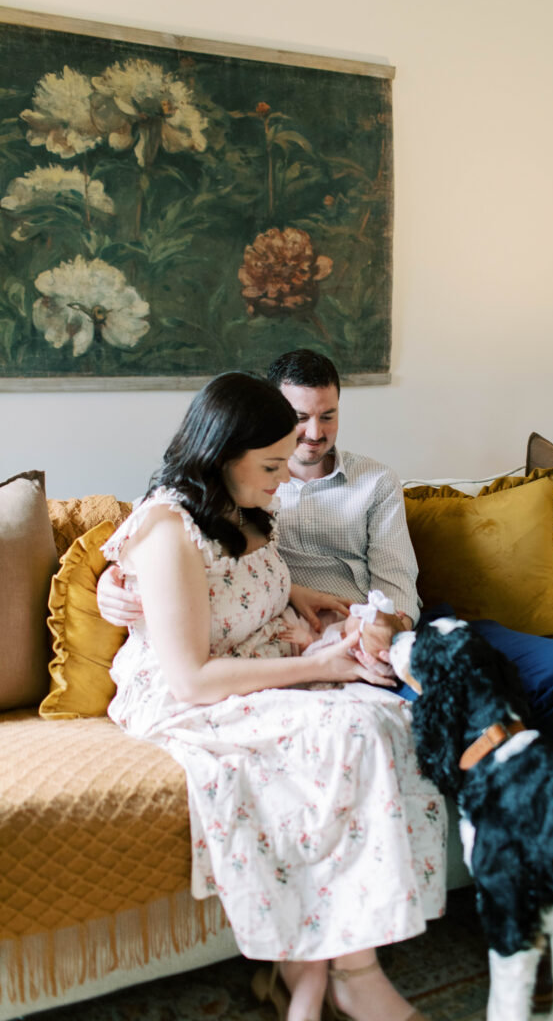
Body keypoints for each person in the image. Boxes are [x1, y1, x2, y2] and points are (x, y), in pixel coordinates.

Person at [98, 350, 553, 980]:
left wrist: (378, 623)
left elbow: (397, 589)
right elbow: (172, 568)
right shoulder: (234, 494)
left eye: (327, 416)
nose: (313, 434)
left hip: (389, 621)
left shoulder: (369, 482)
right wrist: (111, 590)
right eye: (299, 421)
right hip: (313, 644)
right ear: (253, 435)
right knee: (439, 715)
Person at [101, 371, 444, 1021]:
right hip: (186, 694)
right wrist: (323, 671)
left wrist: (296, 595)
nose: (285, 477)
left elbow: (239, 581)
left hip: (252, 663)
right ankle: (348, 973)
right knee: (349, 729)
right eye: (272, 464)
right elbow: (192, 678)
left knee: (389, 714)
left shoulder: (250, 506)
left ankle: (312, 969)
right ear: (222, 453)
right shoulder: (166, 527)